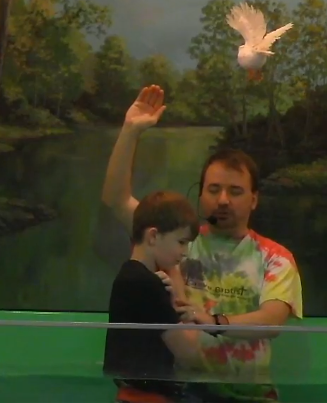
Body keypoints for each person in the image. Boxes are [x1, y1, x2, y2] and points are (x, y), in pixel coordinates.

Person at [102, 85, 303, 402]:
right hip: (182, 394)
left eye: (235, 191)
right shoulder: (172, 241)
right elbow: (116, 199)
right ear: (200, 194)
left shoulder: (275, 257)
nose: (222, 200)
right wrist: (130, 131)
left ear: (254, 199)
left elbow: (272, 320)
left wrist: (213, 322)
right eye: (213, 189)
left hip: (249, 397)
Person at [103, 190, 207, 403]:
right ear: (153, 236)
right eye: (181, 242)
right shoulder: (147, 285)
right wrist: (187, 309)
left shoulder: (130, 276)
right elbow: (190, 354)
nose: (185, 252)